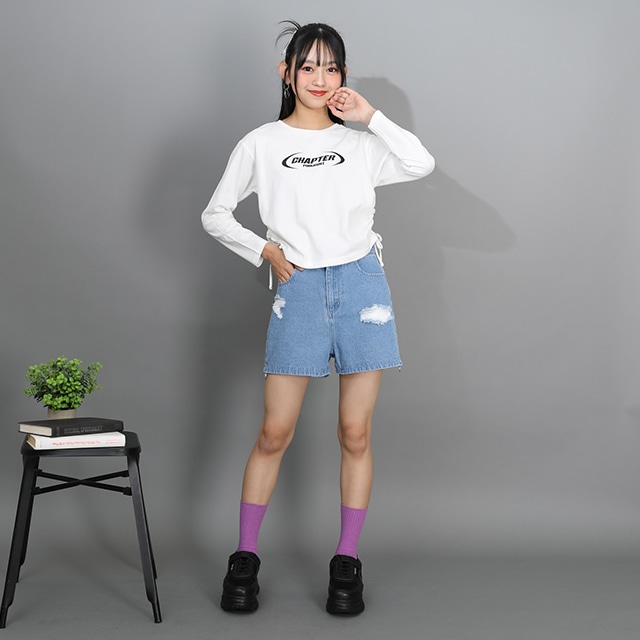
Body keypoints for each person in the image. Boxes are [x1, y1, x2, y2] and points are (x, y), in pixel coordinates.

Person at [201, 20, 434, 615]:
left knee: (355, 432)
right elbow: (216, 213)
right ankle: (245, 556)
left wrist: (370, 115)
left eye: (331, 67)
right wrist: (264, 250)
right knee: (273, 432)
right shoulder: (261, 143)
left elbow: (420, 162)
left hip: (361, 287)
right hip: (299, 289)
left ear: (343, 75)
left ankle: (346, 561)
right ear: (287, 73)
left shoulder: (360, 145)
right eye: (308, 66)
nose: (320, 78)